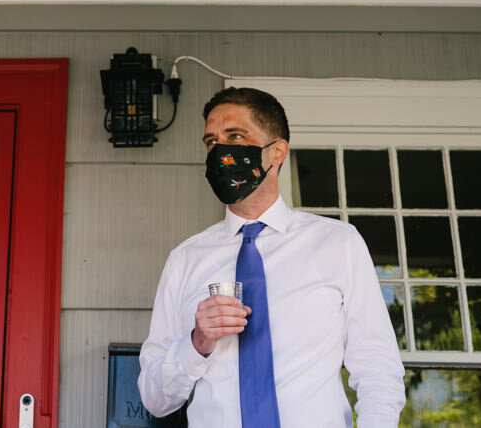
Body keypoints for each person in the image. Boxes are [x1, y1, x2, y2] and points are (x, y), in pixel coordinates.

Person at [138, 87, 405, 428]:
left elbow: (377, 368)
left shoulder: (338, 243)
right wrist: (197, 343)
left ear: (277, 151)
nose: (220, 151)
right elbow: (154, 399)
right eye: (211, 142)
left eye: (235, 136)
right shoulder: (185, 260)